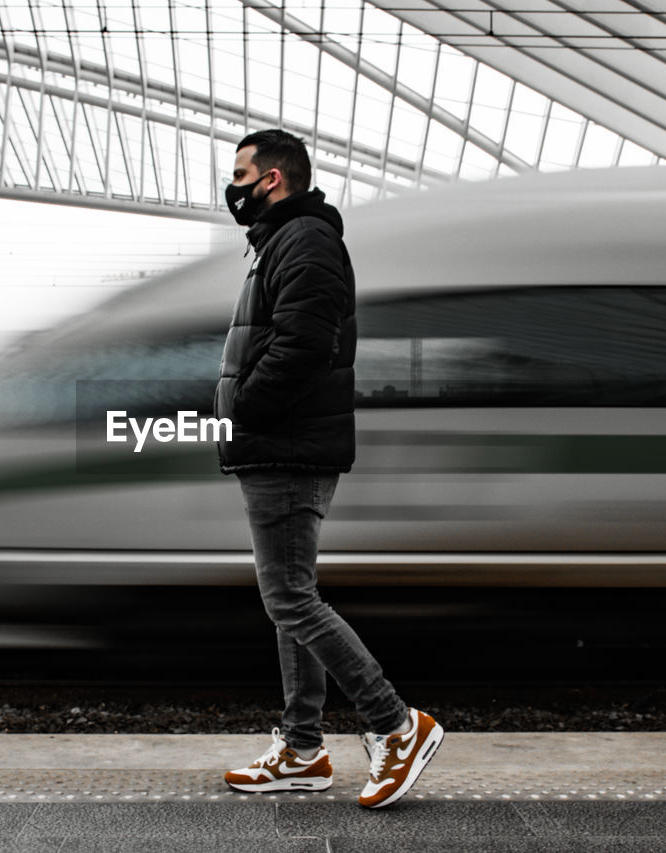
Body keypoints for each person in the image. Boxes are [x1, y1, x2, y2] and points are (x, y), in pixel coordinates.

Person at [215, 129, 443, 809]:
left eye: (240, 174)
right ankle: (303, 747)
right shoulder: (284, 241)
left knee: (289, 597)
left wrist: (248, 409)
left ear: (273, 179)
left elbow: (305, 341)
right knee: (293, 598)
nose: (233, 187)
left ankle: (396, 723)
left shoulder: (304, 240)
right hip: (279, 442)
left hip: (286, 442)